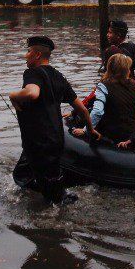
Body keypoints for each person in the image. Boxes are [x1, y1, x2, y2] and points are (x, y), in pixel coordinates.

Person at [8, 36, 96, 201]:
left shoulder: (32, 73)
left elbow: (32, 93)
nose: (25, 55)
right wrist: (91, 130)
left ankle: (58, 207)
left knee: (49, 186)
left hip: (39, 140)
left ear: (37, 55)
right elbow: (83, 109)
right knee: (21, 174)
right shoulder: (59, 77)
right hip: (56, 137)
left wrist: (12, 95)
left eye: (28, 51)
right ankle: (46, 198)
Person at [76, 53, 135, 144]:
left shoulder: (103, 85)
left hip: (114, 132)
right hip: (133, 131)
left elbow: (98, 112)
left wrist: (86, 130)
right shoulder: (133, 84)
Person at [107, 19, 135, 92]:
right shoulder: (133, 46)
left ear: (118, 35)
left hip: (119, 90)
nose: (107, 35)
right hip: (132, 88)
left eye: (110, 33)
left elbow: (110, 75)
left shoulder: (114, 52)